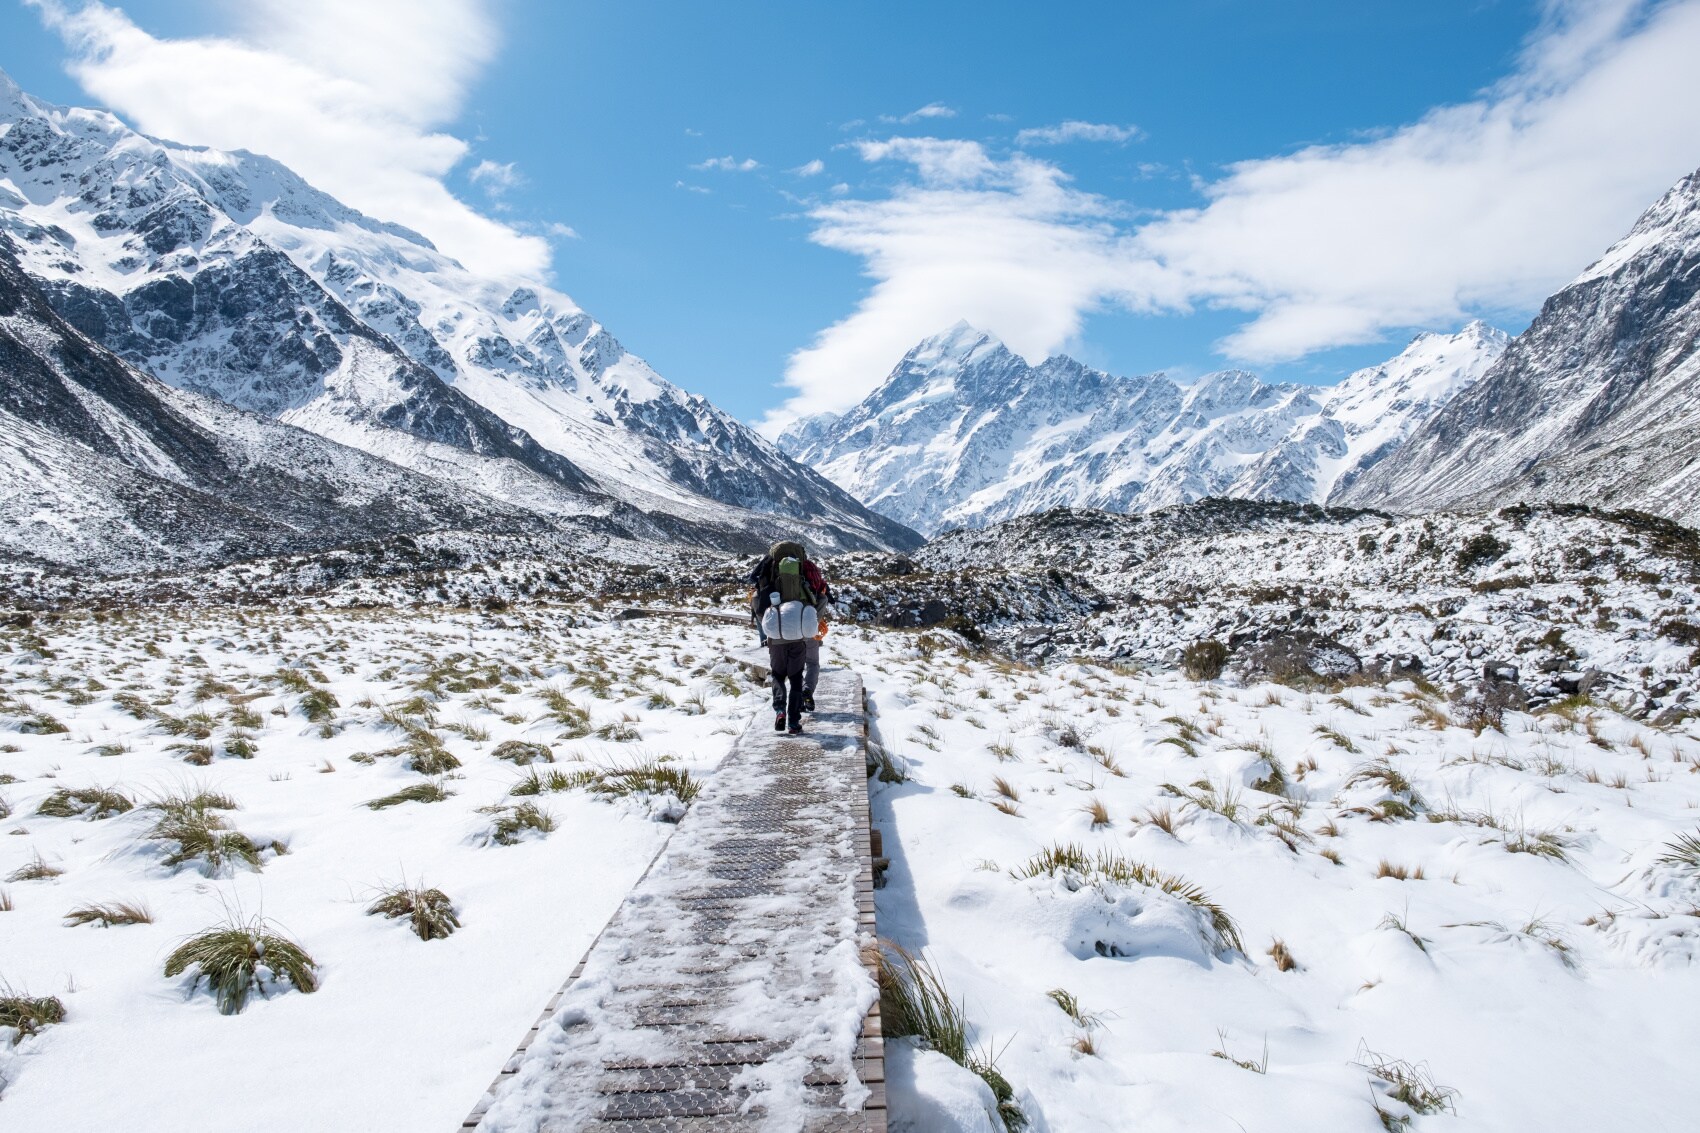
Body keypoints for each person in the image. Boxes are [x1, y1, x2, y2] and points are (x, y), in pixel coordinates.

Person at [750, 539, 825, 735]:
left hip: (776, 638)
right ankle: (793, 722)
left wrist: (767, 624)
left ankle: (780, 710)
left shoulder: (768, 574)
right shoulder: (805, 575)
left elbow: (757, 603)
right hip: (798, 637)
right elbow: (820, 598)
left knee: (777, 675)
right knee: (796, 679)